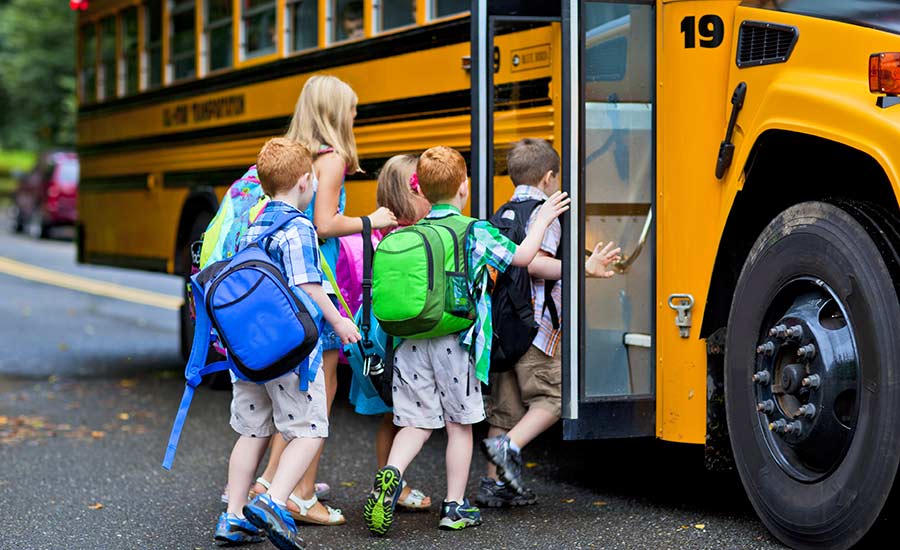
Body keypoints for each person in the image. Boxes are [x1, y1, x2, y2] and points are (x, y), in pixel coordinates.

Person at [363, 146, 571, 535]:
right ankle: (454, 507)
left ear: (421, 192)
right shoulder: (475, 230)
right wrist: (541, 220)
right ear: (465, 187)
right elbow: (524, 257)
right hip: (455, 344)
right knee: (459, 426)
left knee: (415, 424)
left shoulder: (412, 231)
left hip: (410, 342)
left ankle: (390, 474)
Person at [250, 75, 397, 526]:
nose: (355, 117)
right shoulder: (330, 159)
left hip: (285, 284)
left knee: (297, 392)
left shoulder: (296, 153)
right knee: (320, 391)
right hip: (319, 277)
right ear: (336, 113)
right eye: (352, 109)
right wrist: (370, 219)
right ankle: (301, 494)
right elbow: (324, 224)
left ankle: (270, 482)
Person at [216, 138, 361, 549]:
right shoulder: (297, 227)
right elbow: (309, 287)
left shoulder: (252, 222)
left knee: (252, 432)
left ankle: (233, 517)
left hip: (248, 351)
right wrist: (340, 321)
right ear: (304, 181)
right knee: (310, 429)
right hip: (290, 352)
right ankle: (275, 503)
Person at [477, 138, 621, 508]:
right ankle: (506, 448)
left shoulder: (503, 212)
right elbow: (537, 262)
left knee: (505, 410)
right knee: (554, 397)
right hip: (535, 330)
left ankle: (495, 485)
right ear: (549, 176)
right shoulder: (547, 211)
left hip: (502, 329)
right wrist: (583, 268)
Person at [339, 154, 433, 511]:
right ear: (410, 194)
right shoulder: (410, 237)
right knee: (405, 415)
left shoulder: (381, 233)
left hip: (377, 335)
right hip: (400, 336)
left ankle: (388, 479)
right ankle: (395, 483)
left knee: (390, 414)